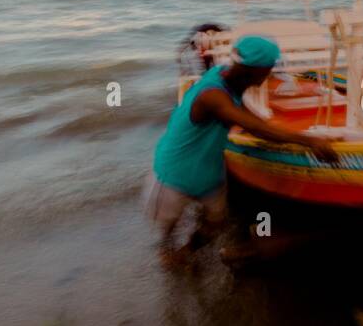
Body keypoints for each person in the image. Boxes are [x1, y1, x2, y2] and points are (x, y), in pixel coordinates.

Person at [145, 34, 338, 268]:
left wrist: (281, 132)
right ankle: (166, 253)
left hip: (208, 175)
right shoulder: (212, 95)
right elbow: (253, 126)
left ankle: (188, 251)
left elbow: (248, 116)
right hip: (173, 175)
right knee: (168, 223)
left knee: (216, 222)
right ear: (252, 70)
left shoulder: (227, 78)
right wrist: (310, 142)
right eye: (268, 70)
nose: (270, 75)